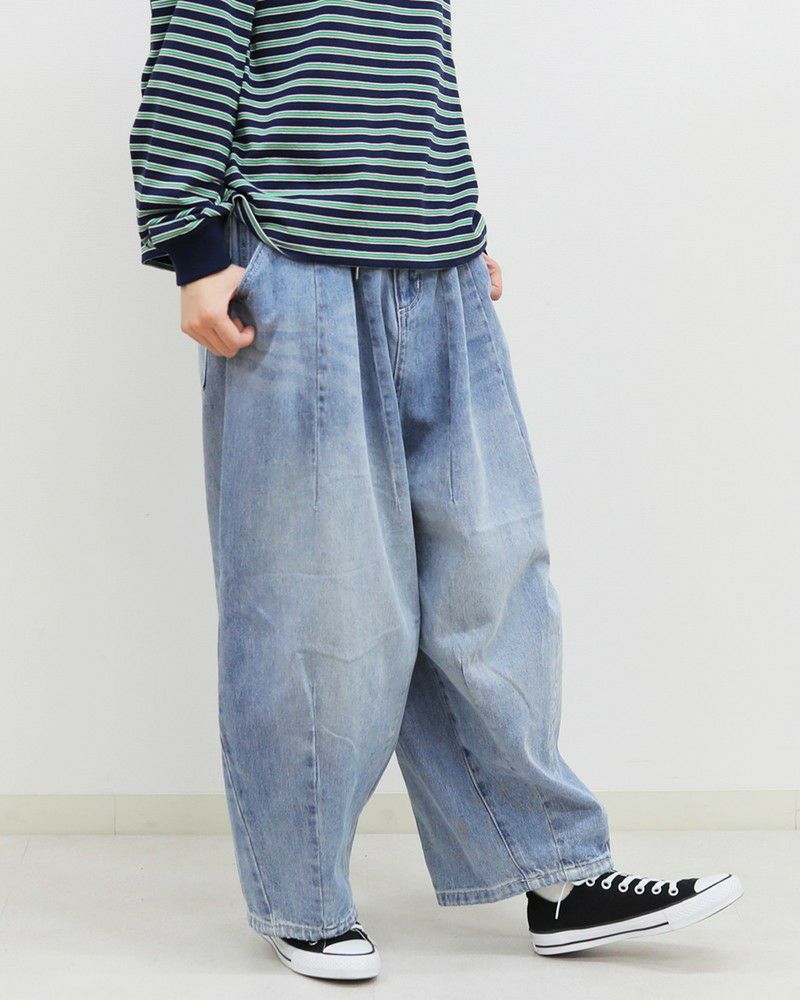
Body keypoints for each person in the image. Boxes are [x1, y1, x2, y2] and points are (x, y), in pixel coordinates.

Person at [130, 0, 741, 981]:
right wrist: (192, 248)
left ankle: (556, 873)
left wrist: (456, 217)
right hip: (295, 259)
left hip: (439, 262)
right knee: (318, 596)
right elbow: (194, 46)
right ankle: (303, 898)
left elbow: (416, 72)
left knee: (492, 573)